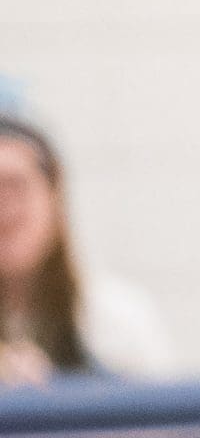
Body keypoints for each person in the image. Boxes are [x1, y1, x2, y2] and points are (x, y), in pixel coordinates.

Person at [0, 115, 173, 384]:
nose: (5, 208)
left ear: (54, 197)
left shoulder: (120, 317)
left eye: (15, 186)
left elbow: (160, 419)